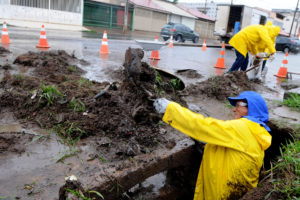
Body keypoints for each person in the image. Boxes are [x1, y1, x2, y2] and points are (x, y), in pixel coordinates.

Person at [153, 91, 272, 200]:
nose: (234, 110)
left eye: (237, 105)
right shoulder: (256, 132)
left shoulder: (243, 127)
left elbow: (203, 126)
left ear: (250, 108)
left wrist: (170, 109)